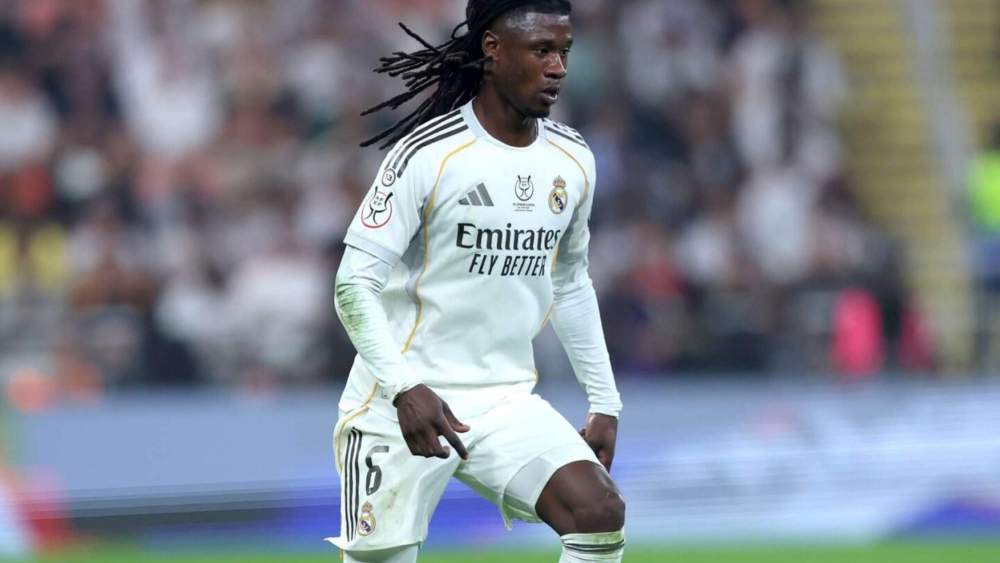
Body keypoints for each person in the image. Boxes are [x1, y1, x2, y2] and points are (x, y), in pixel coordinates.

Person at [328, 1, 625, 562]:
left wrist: (604, 401)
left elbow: (570, 280)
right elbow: (352, 285)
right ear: (492, 49)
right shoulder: (427, 154)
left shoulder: (573, 158)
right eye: (542, 50)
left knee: (598, 512)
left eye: (564, 52)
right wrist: (403, 388)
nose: (559, 66)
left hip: (502, 401)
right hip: (398, 403)